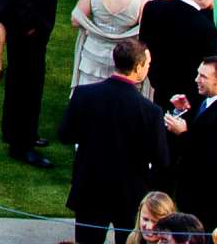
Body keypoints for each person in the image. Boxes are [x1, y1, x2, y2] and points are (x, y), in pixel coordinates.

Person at [58, 38, 168, 244]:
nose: (148, 68)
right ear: (138, 67)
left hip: (90, 187)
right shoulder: (151, 112)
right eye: (148, 64)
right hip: (130, 194)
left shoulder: (84, 95)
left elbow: (65, 134)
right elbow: (161, 159)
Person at [2, 0, 76, 166]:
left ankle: (18, 132)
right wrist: (30, 28)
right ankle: (22, 145)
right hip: (28, 29)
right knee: (28, 84)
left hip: (27, 26)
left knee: (22, 81)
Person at [160, 56, 217, 233]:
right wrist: (181, 112)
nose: (197, 80)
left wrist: (182, 134)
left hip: (209, 202)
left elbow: (209, 160)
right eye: (198, 74)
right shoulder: (210, 101)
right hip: (195, 196)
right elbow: (201, 130)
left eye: (203, 76)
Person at [139, 0, 217, 105]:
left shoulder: (152, 8)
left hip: (157, 87)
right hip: (189, 99)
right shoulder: (205, 27)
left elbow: (143, 46)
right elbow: (215, 66)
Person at [71, 0, 145, 89]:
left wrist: (92, 29)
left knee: (89, 97)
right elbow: (144, 32)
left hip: (93, 54)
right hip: (123, 59)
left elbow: (76, 19)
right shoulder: (141, 1)